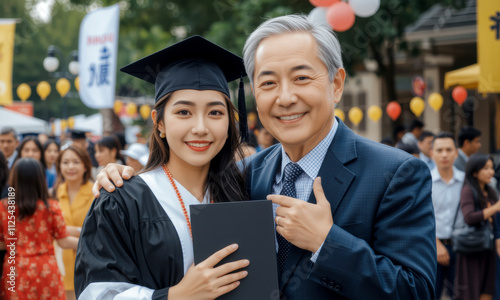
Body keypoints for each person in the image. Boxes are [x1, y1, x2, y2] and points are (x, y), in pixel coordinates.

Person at [94, 15, 436, 299]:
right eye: (268, 82)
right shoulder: (242, 176)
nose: (285, 98)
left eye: (301, 78)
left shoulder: (396, 173)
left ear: (336, 84)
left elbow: (418, 291)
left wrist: (327, 242)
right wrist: (121, 177)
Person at [76, 36, 252, 299]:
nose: (201, 128)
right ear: (159, 122)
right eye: (184, 112)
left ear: (229, 123)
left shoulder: (246, 188)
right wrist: (175, 296)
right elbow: (97, 293)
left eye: (215, 112)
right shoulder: (121, 201)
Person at [0, 158, 78, 299]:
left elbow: (2, 243)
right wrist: (91, 242)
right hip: (46, 269)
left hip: (15, 269)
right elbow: (64, 241)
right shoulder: (51, 207)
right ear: (40, 179)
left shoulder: (4, 208)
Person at [455, 154, 500, 300]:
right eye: (486, 168)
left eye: (492, 168)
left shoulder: (490, 191)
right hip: (472, 248)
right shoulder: (468, 190)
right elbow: (469, 217)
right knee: (470, 293)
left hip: (488, 247)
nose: (491, 172)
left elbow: (495, 222)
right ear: (474, 172)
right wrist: (494, 208)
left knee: (487, 291)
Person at [55, 146, 94, 300]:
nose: (70, 167)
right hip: (59, 267)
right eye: (65, 162)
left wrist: (75, 231)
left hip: (87, 268)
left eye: (76, 162)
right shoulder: (53, 193)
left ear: (85, 166)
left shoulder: (97, 194)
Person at [429, 132, 464, 299]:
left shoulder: (466, 182)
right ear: (432, 153)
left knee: (460, 294)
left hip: (462, 247)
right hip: (431, 248)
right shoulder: (424, 181)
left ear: (456, 153)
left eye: (449, 150)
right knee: (431, 294)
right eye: (440, 150)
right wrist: (436, 244)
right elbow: (420, 218)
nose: (444, 154)